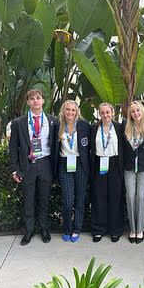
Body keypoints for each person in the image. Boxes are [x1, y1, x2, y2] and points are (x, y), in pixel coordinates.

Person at [9, 89, 58, 245]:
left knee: (44, 199)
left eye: (38, 98)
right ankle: (29, 231)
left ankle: (44, 229)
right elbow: (13, 147)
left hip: (45, 164)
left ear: (43, 101)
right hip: (27, 166)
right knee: (28, 200)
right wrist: (15, 169)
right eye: (32, 99)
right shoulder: (18, 123)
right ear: (28, 102)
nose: (36, 101)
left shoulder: (53, 121)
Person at [55, 100, 90, 243]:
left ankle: (77, 229)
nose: (70, 112)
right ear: (63, 111)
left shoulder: (84, 125)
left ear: (77, 112)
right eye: (67, 110)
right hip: (65, 164)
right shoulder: (58, 125)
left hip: (80, 164)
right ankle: (67, 228)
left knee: (80, 199)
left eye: (73, 110)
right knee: (68, 201)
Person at [90, 103, 124, 243]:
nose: (105, 115)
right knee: (99, 198)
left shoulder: (119, 127)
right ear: (99, 114)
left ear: (112, 113)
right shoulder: (93, 128)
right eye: (102, 113)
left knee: (115, 198)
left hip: (115, 164)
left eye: (108, 112)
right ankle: (99, 229)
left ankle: (115, 230)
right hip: (99, 164)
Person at [122, 101, 144, 244]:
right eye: (133, 111)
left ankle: (140, 229)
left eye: (138, 110)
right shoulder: (125, 127)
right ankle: (132, 229)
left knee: (140, 196)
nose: (136, 113)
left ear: (143, 112)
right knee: (130, 196)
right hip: (129, 168)